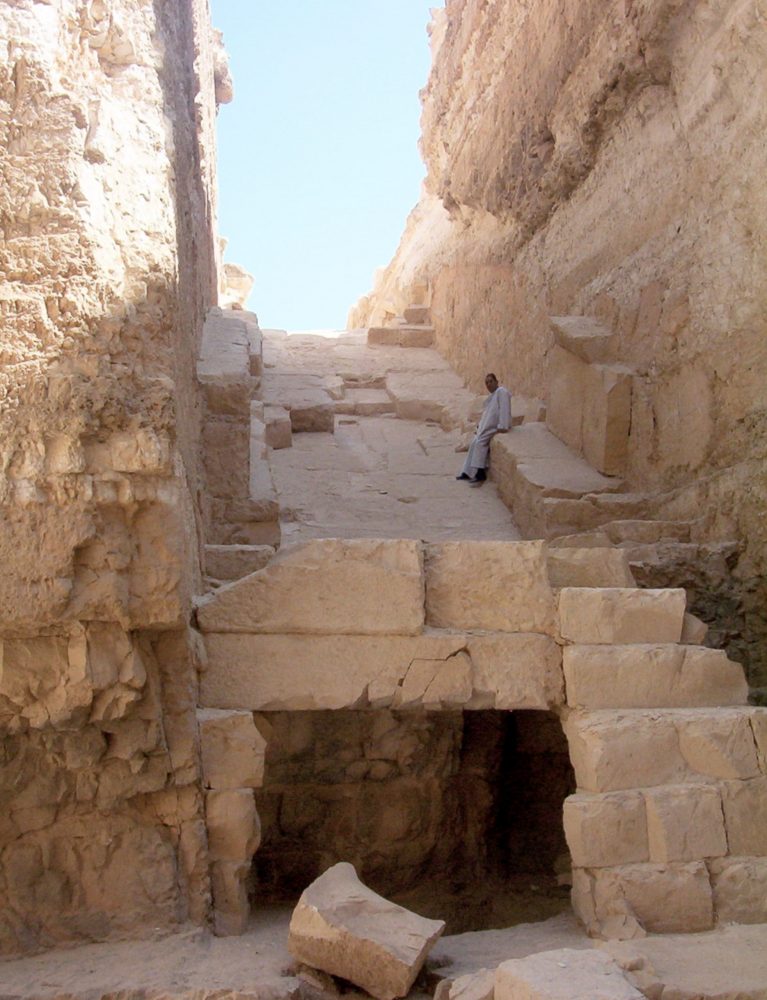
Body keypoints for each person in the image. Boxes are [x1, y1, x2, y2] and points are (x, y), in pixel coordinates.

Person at [456, 373, 511, 486]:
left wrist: (503, 426)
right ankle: (467, 472)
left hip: (495, 427)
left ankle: (480, 474)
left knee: (480, 443)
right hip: (486, 427)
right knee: (474, 442)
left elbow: (505, 410)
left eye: (491, 381)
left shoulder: (502, 392)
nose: (489, 384)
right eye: (487, 383)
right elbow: (487, 415)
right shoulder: (492, 396)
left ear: (496, 382)